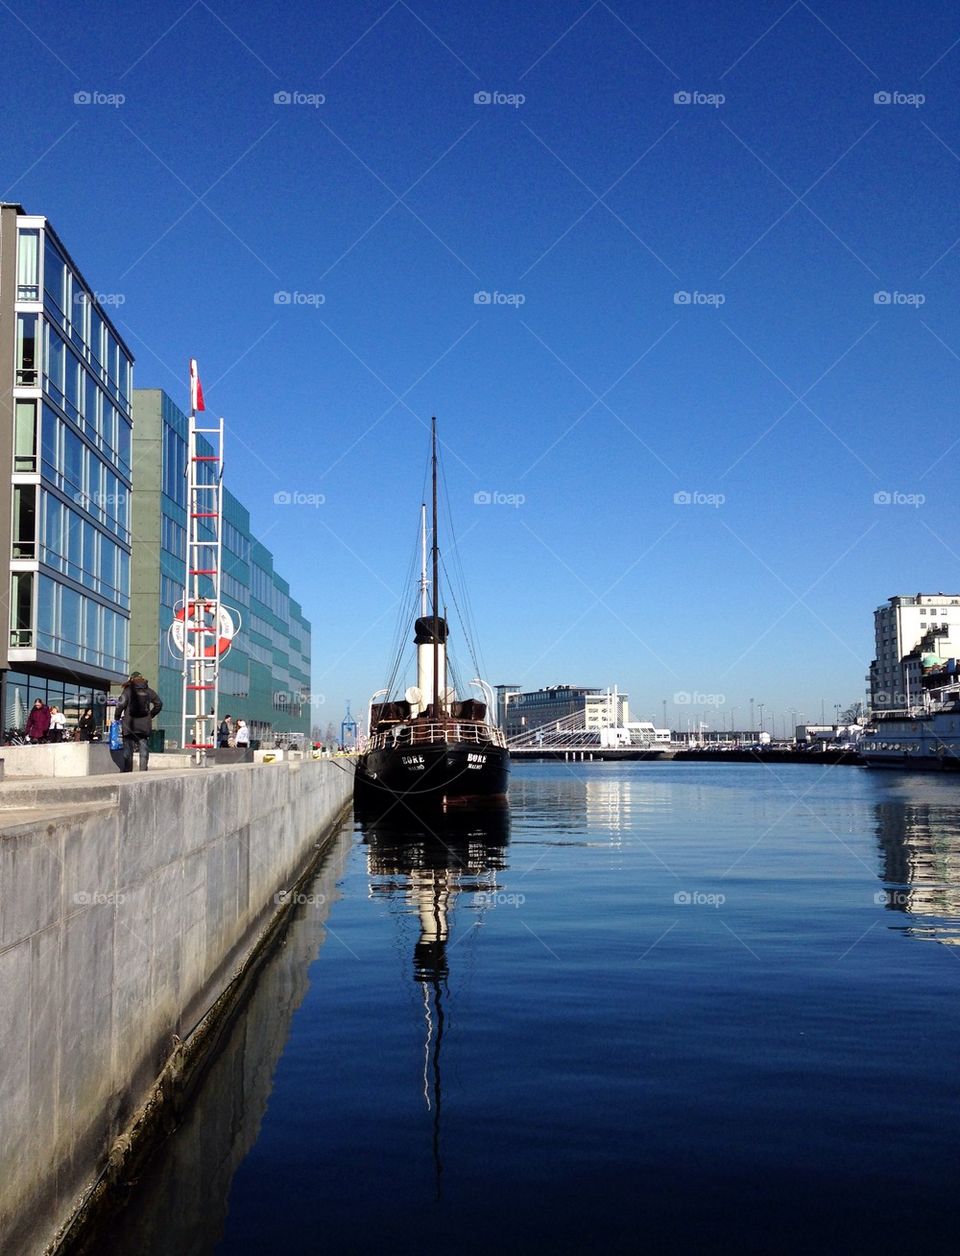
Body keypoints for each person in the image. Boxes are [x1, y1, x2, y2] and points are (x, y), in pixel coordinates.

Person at [115, 673, 163, 773]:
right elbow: (159, 703)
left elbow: (120, 705)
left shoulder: (127, 691)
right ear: (142, 679)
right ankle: (143, 771)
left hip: (129, 725)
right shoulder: (148, 691)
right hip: (144, 725)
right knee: (143, 748)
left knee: (128, 750)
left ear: (131, 679)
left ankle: (128, 772)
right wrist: (151, 714)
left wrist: (117, 717)